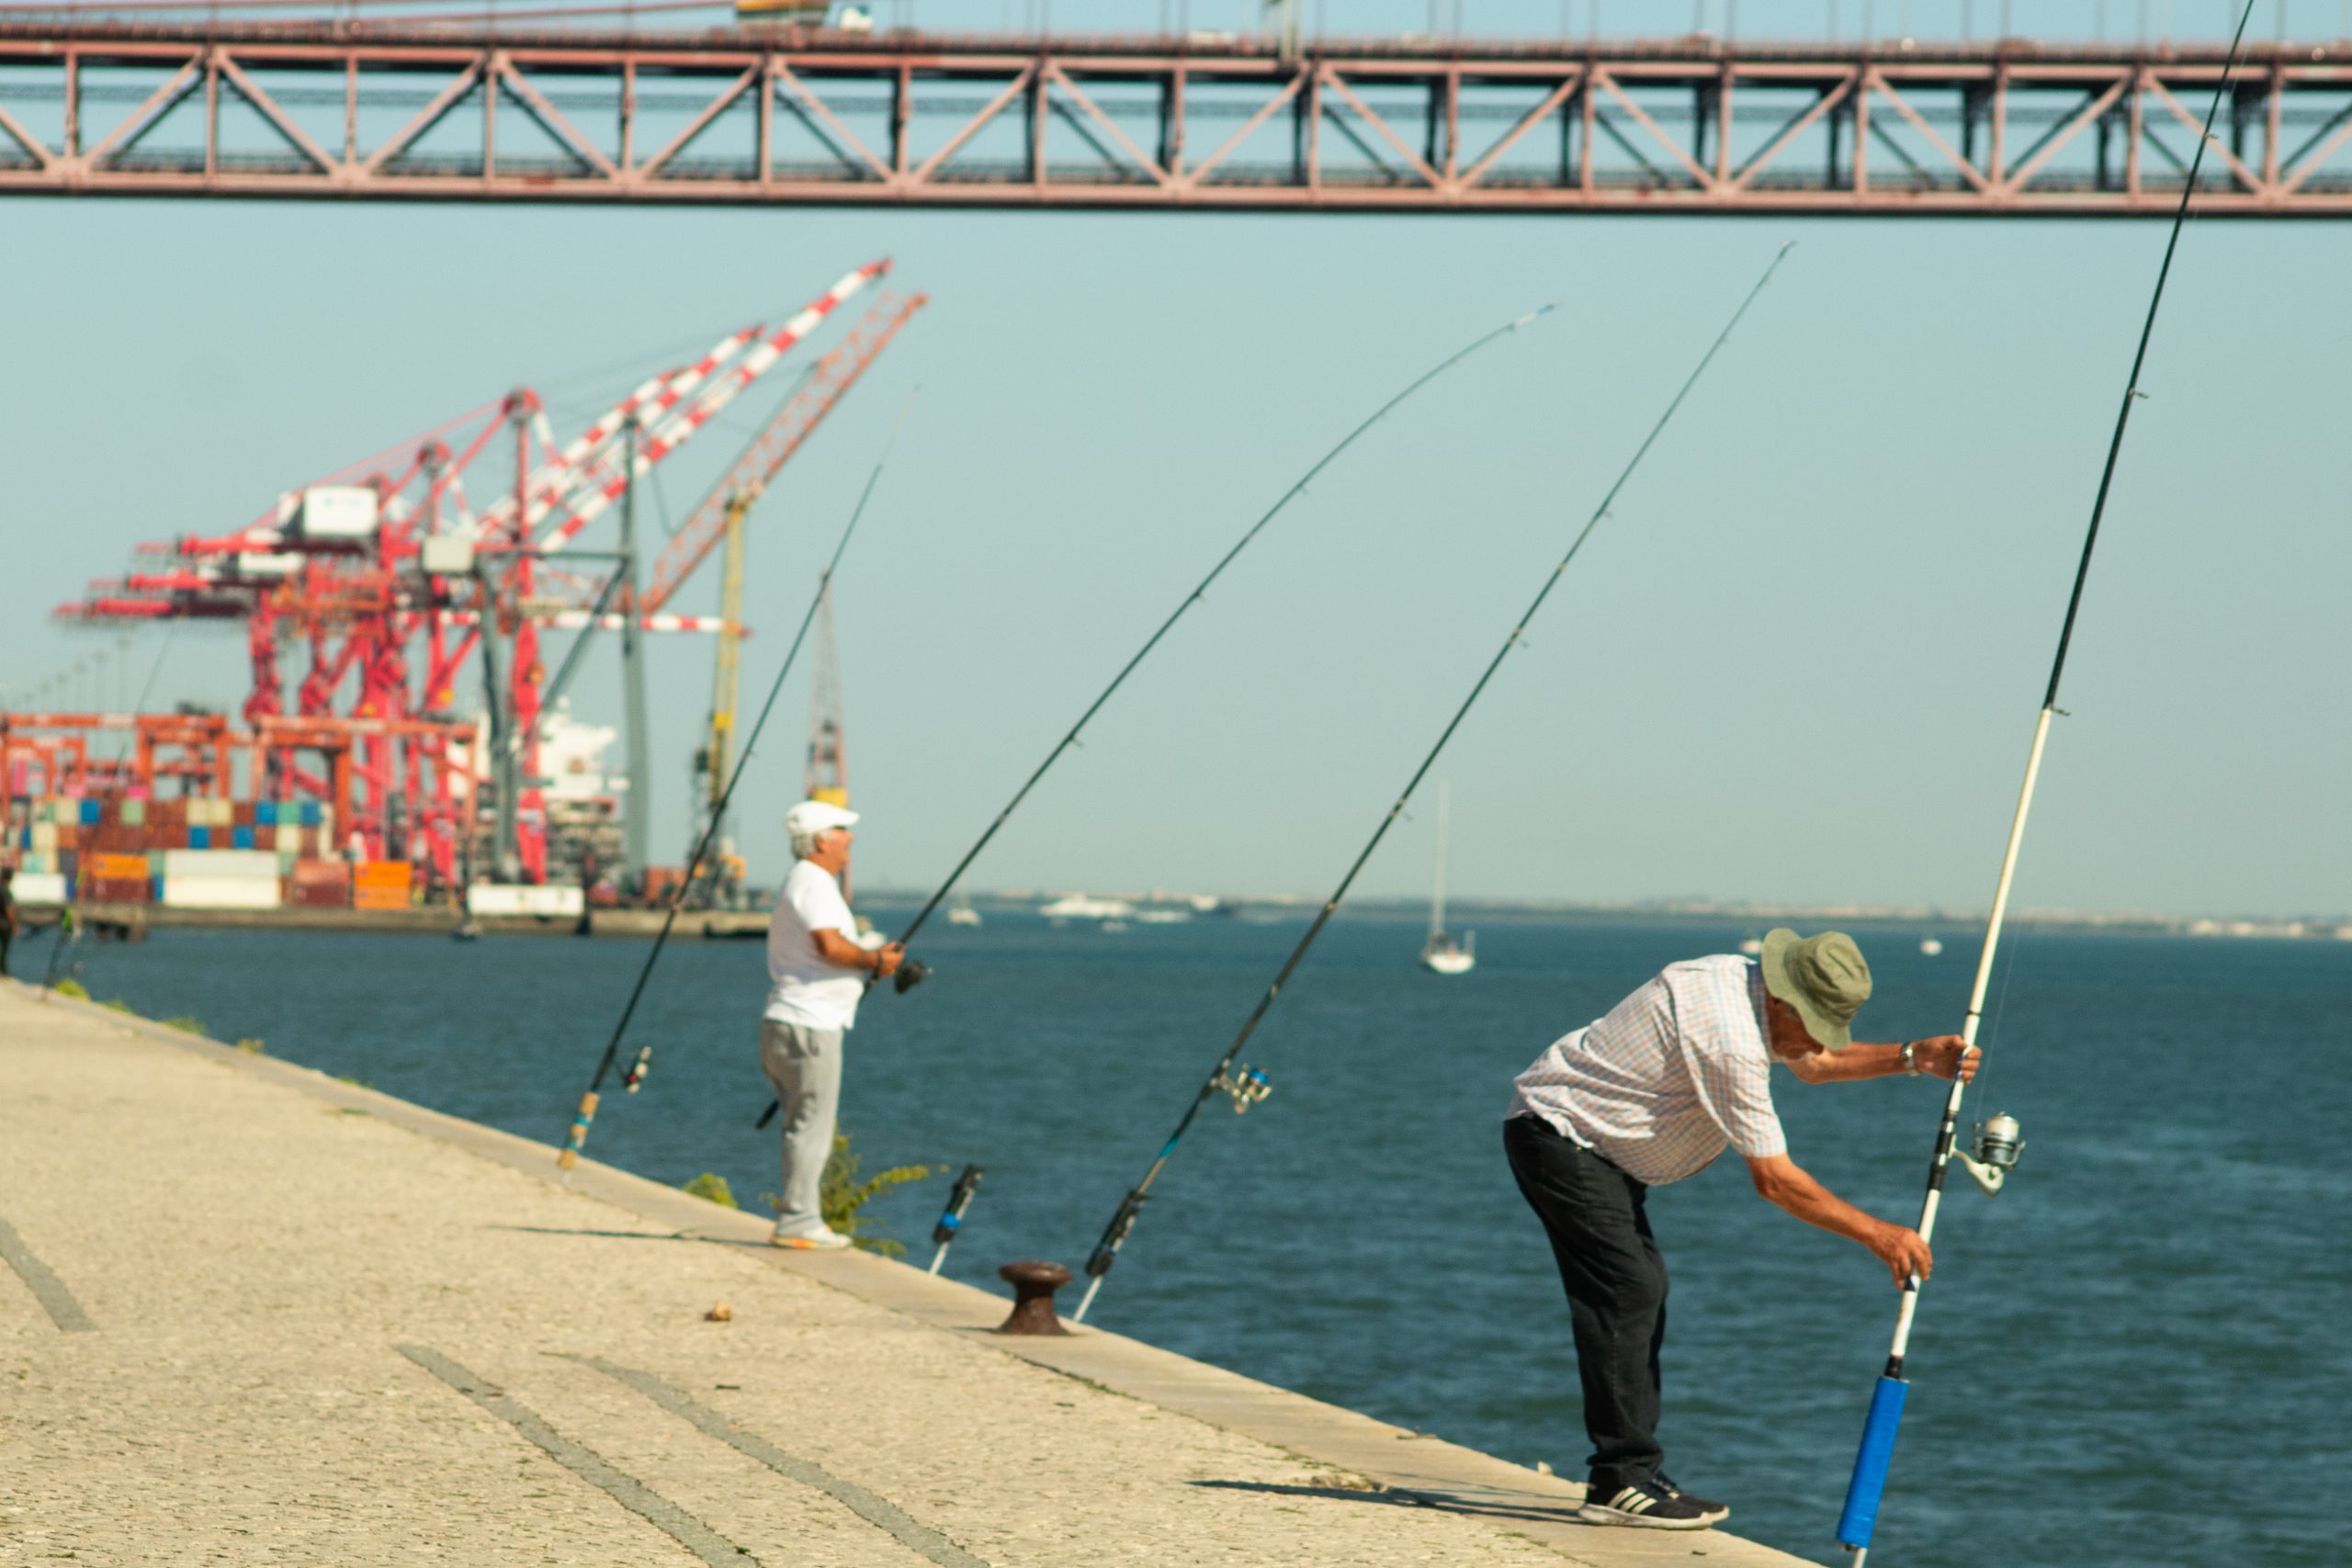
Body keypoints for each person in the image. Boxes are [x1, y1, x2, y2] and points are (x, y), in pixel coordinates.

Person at [1502, 929, 1979, 1531]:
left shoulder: (1748, 985)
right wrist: (1880, 1234)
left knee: (1638, 1289)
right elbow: (1776, 1180)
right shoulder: (1727, 1036)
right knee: (1630, 1288)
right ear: (1782, 1000)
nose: (1815, 1043)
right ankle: (1620, 1480)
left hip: (1591, 1144)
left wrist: (1912, 1056)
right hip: (1560, 1136)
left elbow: (1816, 1064)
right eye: (1813, 1024)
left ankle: (1632, 1473)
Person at [762, 799, 904, 1250]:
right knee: (812, 1126)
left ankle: (799, 1215)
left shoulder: (804, 882)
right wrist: (876, 960)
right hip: (811, 1025)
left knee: (802, 1123)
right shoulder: (815, 883)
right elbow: (828, 946)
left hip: (791, 1020)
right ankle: (799, 1221)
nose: (851, 838)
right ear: (822, 839)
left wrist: (867, 957)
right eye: (843, 829)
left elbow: (828, 946)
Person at [0, 865, 17, 976]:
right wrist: (14, 924)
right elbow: (9, 910)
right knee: (5, 948)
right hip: (4, 924)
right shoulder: (6, 891)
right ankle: (3, 970)